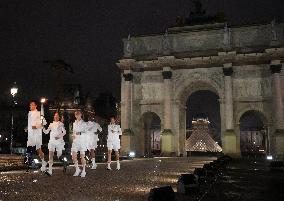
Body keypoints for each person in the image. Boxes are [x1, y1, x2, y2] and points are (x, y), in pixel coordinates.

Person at [26, 101, 47, 172]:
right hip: (31, 134)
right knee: (29, 148)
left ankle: (43, 162)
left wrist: (36, 126)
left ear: (35, 106)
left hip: (37, 134)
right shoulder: (29, 113)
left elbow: (43, 123)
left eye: (32, 105)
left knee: (38, 149)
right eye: (30, 105)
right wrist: (27, 128)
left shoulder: (39, 113)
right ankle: (30, 163)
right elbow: (30, 123)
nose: (30, 106)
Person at [71, 110, 88, 177]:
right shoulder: (74, 123)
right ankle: (77, 169)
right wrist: (73, 136)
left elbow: (86, 132)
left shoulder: (84, 123)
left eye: (78, 114)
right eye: (76, 114)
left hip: (82, 141)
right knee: (73, 156)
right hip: (75, 141)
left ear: (81, 115)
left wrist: (80, 133)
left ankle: (84, 170)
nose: (77, 115)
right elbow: (74, 132)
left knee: (82, 157)